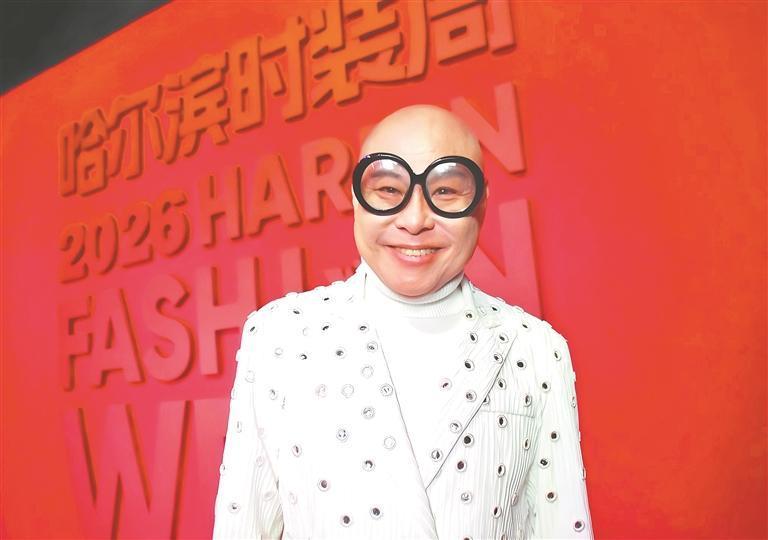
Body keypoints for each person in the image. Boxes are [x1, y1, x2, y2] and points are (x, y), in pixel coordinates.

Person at [212, 105, 593, 539]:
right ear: (356, 199)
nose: (414, 221)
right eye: (389, 189)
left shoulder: (536, 349)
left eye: (445, 191)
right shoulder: (278, 335)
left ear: (481, 203)